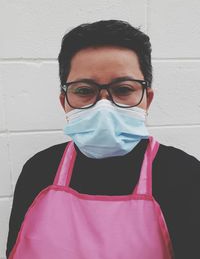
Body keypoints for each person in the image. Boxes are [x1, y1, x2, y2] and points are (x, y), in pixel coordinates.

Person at [6, 20, 200, 259]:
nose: (104, 107)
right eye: (84, 91)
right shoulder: (39, 170)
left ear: (147, 99)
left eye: (124, 89)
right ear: (64, 101)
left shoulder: (184, 175)